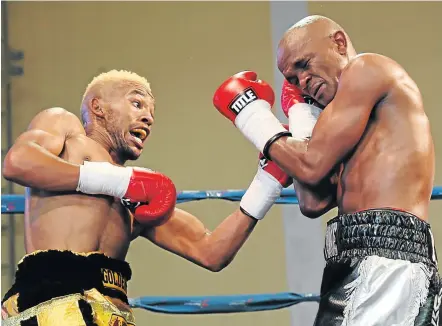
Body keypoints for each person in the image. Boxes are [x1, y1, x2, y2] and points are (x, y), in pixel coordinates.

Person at [1, 69, 292, 325]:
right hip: (55, 305)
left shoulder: (141, 198)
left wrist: (266, 182)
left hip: (113, 314)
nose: (148, 117)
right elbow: (18, 162)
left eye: (152, 112)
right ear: (97, 107)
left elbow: (211, 251)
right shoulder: (67, 132)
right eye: (137, 103)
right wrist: (120, 181)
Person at [212, 15, 441, 326]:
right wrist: (301, 115)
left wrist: (250, 115)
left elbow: (310, 165)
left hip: (388, 257)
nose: (301, 81)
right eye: (291, 79)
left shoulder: (367, 68)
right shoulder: (346, 121)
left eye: (304, 64)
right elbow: (313, 202)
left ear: (339, 42)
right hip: (353, 256)